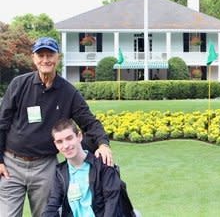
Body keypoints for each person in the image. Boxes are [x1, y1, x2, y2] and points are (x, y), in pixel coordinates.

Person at [0, 37, 113, 217]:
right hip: (11, 165)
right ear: (34, 58)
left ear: (57, 58)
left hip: (45, 166)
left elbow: (89, 122)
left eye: (50, 55)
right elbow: (2, 123)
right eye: (41, 55)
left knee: (47, 214)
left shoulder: (68, 92)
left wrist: (103, 144)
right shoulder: (19, 85)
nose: (45, 60)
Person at [42, 119, 135, 217]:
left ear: (79, 136)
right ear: (56, 144)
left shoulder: (103, 165)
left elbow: (112, 204)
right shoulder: (60, 172)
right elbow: (52, 205)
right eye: (60, 142)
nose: (65, 145)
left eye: (69, 138)